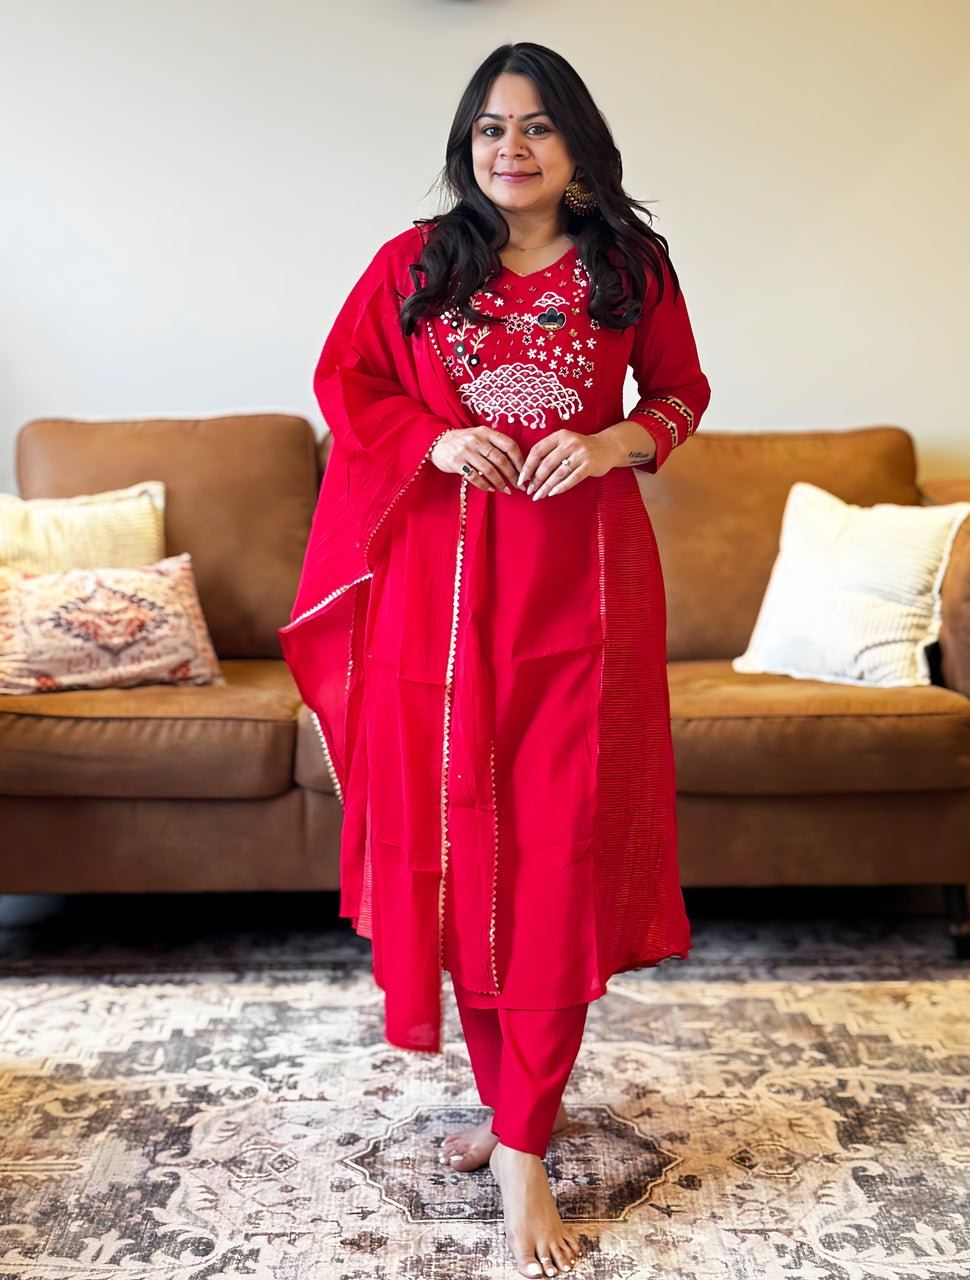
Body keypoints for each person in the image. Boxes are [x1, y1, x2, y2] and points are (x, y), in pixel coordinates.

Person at [280, 42, 710, 1279]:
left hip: (582, 591)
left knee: (560, 841)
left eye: (532, 128)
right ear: (466, 148)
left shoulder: (629, 268)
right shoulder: (413, 266)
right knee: (465, 845)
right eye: (486, 130)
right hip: (443, 597)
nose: (507, 149)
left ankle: (523, 1133)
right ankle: (514, 1103)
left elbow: (680, 393)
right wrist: (437, 434)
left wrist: (613, 440)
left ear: (576, 146)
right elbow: (346, 383)